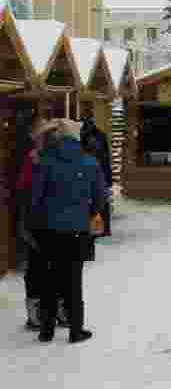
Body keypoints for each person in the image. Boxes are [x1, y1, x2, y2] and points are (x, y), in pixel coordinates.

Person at [30, 119, 106, 343]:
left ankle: (46, 331)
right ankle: (75, 330)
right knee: (73, 281)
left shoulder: (46, 161)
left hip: (49, 230)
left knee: (49, 280)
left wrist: (38, 221)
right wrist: (87, 214)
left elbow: (36, 197)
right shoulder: (90, 163)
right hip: (77, 230)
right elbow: (100, 198)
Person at [17, 119, 60, 331]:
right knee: (44, 266)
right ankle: (46, 312)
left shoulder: (38, 158)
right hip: (44, 220)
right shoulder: (35, 158)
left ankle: (42, 313)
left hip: (42, 220)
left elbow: (23, 190)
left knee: (41, 266)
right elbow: (24, 190)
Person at [81, 112, 113, 236]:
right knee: (98, 199)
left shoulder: (96, 135)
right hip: (95, 169)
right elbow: (105, 156)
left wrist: (108, 178)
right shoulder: (97, 134)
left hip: (95, 169)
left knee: (99, 199)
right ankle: (100, 228)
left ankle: (103, 228)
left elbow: (105, 156)